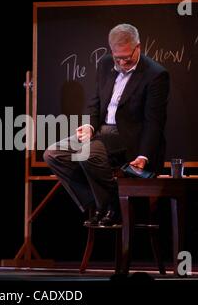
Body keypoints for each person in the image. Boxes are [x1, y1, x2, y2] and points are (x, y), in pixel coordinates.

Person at [44, 23, 169, 227]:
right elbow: (95, 102)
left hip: (129, 136)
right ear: (111, 51)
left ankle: (110, 206)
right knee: (53, 154)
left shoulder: (155, 75)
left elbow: (154, 122)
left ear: (138, 47)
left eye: (127, 58)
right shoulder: (105, 64)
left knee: (88, 153)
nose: (122, 62)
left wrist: (144, 155)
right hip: (102, 132)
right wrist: (89, 126)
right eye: (118, 57)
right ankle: (100, 203)